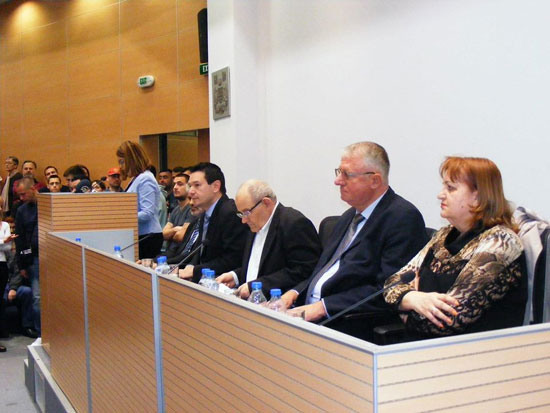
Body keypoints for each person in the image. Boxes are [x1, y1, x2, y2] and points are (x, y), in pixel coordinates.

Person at [281, 142, 427, 337]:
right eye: (338, 172)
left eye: (347, 175)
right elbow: (325, 271)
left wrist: (323, 307)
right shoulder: (348, 216)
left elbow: (388, 289)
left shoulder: (402, 218)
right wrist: (295, 292)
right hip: (309, 314)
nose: (338, 181)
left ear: (374, 180)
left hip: (348, 322)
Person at [383, 157, 526, 339]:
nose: (440, 195)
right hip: (423, 347)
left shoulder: (500, 243)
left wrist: (402, 307)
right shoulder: (444, 235)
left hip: (473, 352)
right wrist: (413, 298)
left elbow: (446, 321)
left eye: (450, 188)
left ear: (478, 196)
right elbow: (391, 284)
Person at [216, 179, 322, 300]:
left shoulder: (294, 223)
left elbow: (304, 271)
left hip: (279, 303)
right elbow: (260, 267)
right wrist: (235, 276)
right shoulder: (254, 225)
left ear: (266, 203)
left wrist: (257, 286)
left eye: (246, 212)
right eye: (241, 214)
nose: (244, 220)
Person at [177, 162, 248, 282]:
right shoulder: (205, 213)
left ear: (216, 186)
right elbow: (202, 255)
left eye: (197, 185)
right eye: (190, 186)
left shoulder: (231, 213)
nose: (190, 192)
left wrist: (196, 271)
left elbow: (234, 260)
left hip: (225, 282)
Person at [116, 140, 163, 259]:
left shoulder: (145, 179)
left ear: (131, 160)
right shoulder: (136, 179)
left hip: (148, 237)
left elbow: (147, 213)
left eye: (122, 162)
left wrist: (123, 217)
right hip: (142, 235)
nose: (120, 166)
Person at [14, 177, 40, 335]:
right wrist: (22, 265)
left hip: (53, 255)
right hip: (33, 258)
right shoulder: (21, 211)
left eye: (23, 194)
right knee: (37, 296)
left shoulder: (47, 204)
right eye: (19, 195)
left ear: (33, 189)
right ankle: (40, 332)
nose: (21, 198)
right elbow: (20, 239)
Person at [0, 200, 17, 351]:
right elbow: (4, 243)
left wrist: (4, 242)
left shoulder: (5, 225)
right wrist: (3, 241)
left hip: (2, 264)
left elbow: (7, 247)